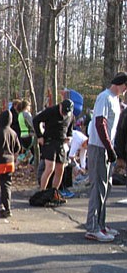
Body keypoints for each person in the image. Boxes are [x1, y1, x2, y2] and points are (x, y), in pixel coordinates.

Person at [84, 72, 127, 242]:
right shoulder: (105, 97)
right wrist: (109, 147)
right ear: (120, 84)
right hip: (99, 147)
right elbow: (100, 123)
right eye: (125, 87)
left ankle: (101, 224)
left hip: (108, 149)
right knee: (98, 187)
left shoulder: (116, 101)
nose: (125, 90)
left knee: (107, 186)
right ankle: (92, 227)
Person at [32, 99, 74, 201]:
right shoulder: (51, 111)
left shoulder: (70, 115)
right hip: (49, 141)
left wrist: (69, 137)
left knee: (60, 169)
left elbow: (70, 130)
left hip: (61, 143)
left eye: (66, 112)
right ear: (60, 105)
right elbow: (36, 120)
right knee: (50, 167)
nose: (64, 114)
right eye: (63, 111)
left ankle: (54, 192)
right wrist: (39, 136)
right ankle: (42, 191)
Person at [0, 109, 21, 218]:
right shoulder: (13, 133)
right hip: (9, 163)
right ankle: (8, 208)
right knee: (6, 186)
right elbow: (18, 148)